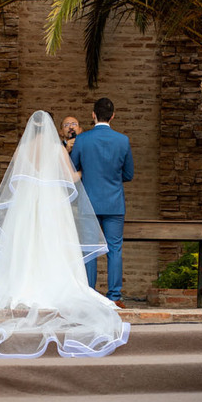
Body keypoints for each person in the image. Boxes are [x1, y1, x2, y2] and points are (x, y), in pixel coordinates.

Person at [0, 111, 129, 358]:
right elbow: (70, 177)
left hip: (26, 207)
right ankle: (52, 283)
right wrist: (86, 172)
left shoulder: (23, 149)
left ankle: (21, 282)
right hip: (51, 206)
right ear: (49, 128)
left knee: (25, 243)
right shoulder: (57, 149)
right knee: (52, 244)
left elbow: (12, 178)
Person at [70, 97, 134, 305]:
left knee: (89, 248)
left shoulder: (83, 140)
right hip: (114, 203)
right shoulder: (122, 140)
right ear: (113, 116)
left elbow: (73, 168)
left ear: (93, 114)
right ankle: (114, 296)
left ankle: (90, 294)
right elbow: (129, 174)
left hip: (89, 202)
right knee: (114, 249)